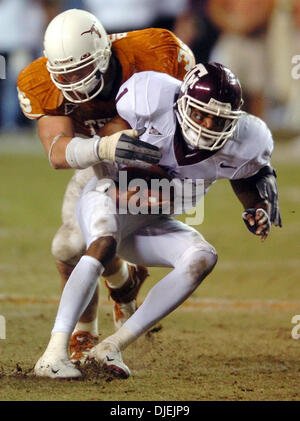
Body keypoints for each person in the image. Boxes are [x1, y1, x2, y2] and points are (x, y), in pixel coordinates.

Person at [33, 62, 281, 379]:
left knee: (202, 257)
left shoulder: (248, 140)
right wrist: (137, 182)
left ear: (235, 119)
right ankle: (53, 354)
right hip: (107, 196)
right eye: (201, 114)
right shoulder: (150, 98)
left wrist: (255, 209)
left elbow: (244, 176)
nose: (207, 125)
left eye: (219, 120)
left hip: (150, 221)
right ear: (181, 102)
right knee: (102, 241)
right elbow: (112, 141)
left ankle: (110, 347)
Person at [17, 8, 196, 363]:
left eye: (82, 70)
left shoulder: (153, 52)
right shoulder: (39, 81)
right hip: (102, 160)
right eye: (65, 74)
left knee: (99, 236)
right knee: (67, 246)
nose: (75, 82)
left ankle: (106, 303)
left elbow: (191, 117)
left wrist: (124, 139)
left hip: (158, 163)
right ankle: (114, 293)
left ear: (103, 55)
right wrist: (106, 145)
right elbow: (57, 151)